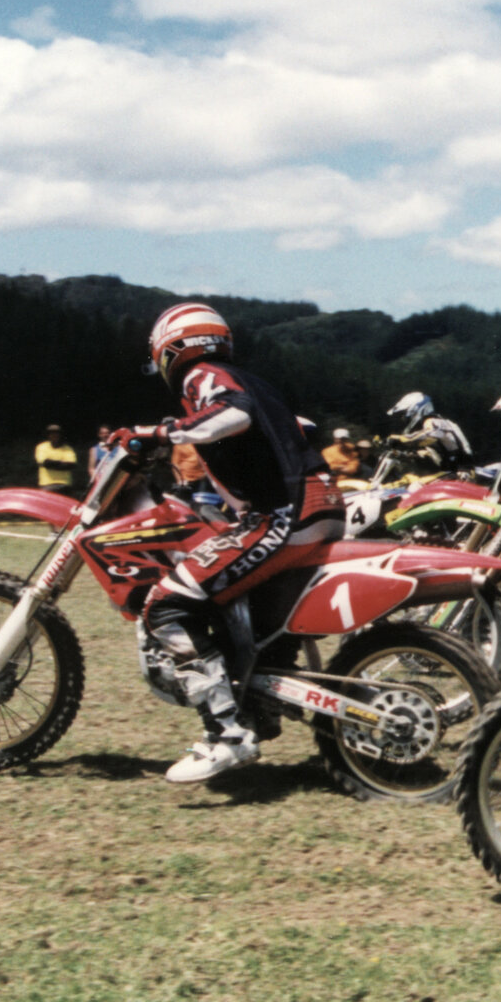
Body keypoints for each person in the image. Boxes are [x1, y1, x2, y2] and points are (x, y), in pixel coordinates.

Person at [125, 302, 343, 784]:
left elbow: (235, 414)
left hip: (284, 514)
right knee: (244, 605)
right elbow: (294, 428)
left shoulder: (201, 376)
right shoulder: (249, 378)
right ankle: (260, 706)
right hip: (318, 505)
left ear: (172, 347)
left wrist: (161, 432)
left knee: (166, 604)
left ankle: (227, 735)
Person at [34, 424, 79, 496]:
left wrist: (52, 463)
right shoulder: (41, 447)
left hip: (65, 484)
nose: (54, 435)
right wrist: (62, 463)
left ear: (61, 435)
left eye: (57, 433)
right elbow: (45, 463)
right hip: (46, 484)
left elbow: (71, 465)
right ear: (48, 435)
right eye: (51, 433)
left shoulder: (68, 449)